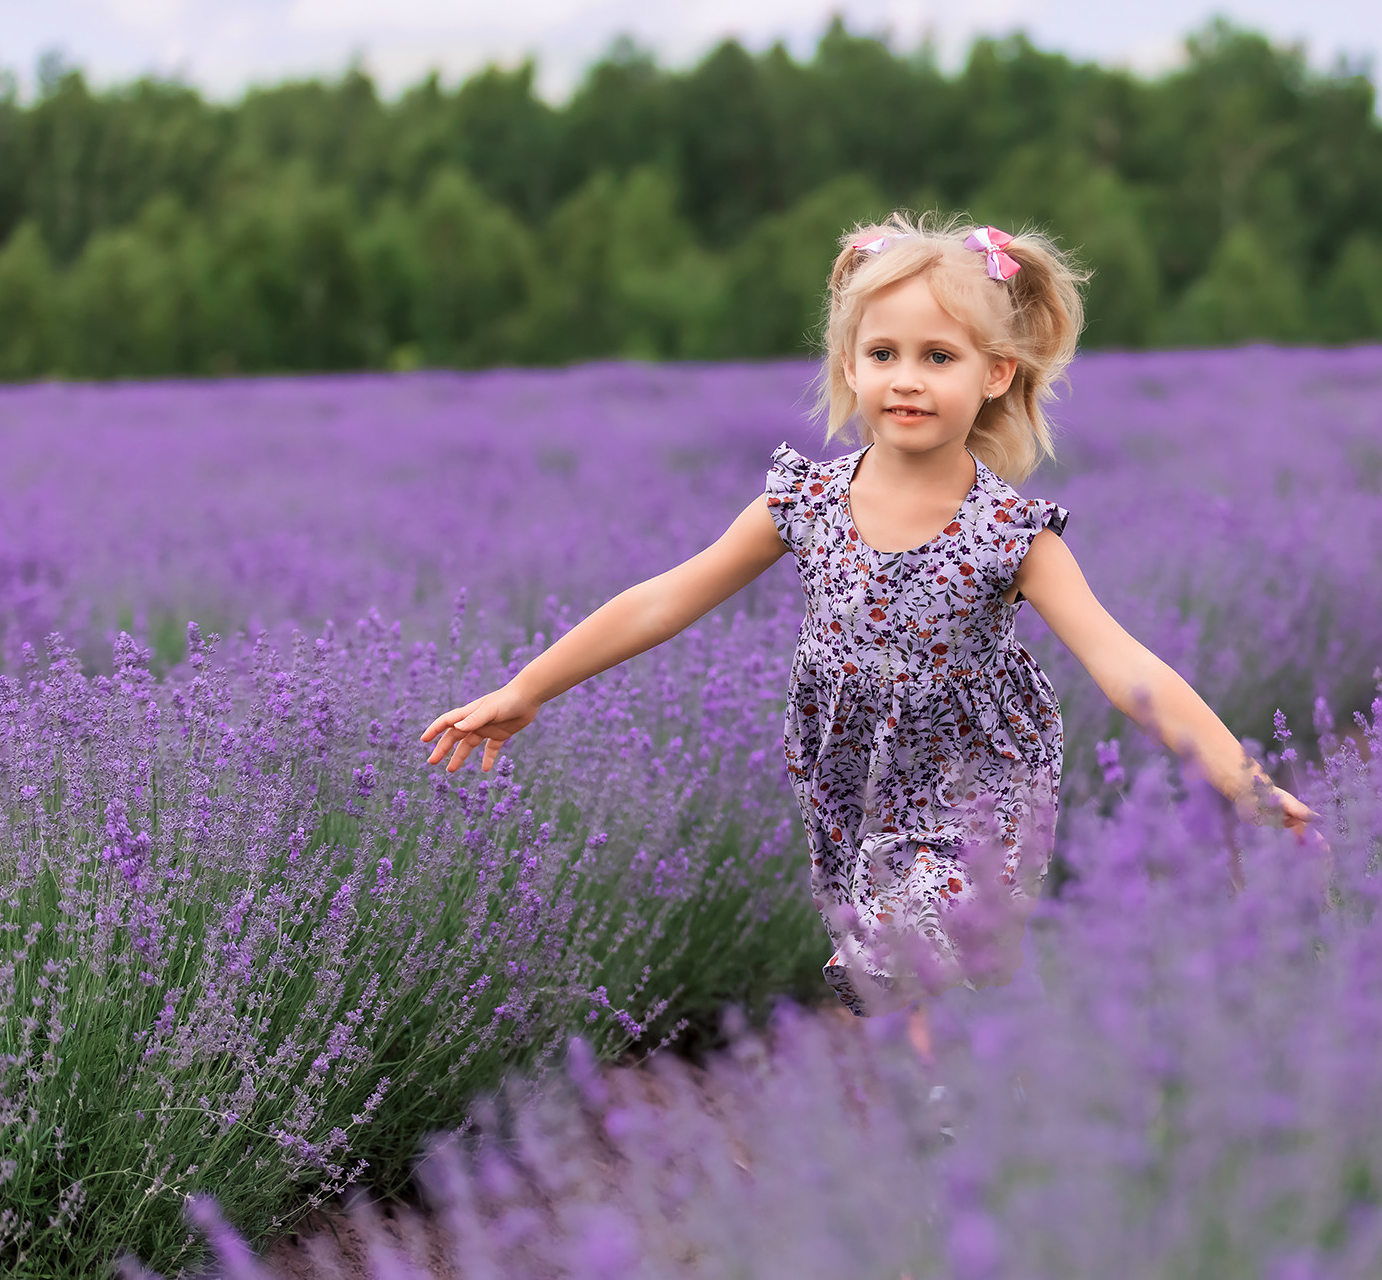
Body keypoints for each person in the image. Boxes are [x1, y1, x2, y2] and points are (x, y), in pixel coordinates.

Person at [421, 214, 1318, 1019]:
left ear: (995, 373)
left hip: (983, 768)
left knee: (925, 932)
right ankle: (955, 1114)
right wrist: (528, 687)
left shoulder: (1013, 534)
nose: (907, 379)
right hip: (855, 767)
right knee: (926, 968)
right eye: (883, 354)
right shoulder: (804, 503)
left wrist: (1239, 776)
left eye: (939, 357)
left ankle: (953, 1086)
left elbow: (1127, 666)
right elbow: (664, 598)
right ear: (849, 366)